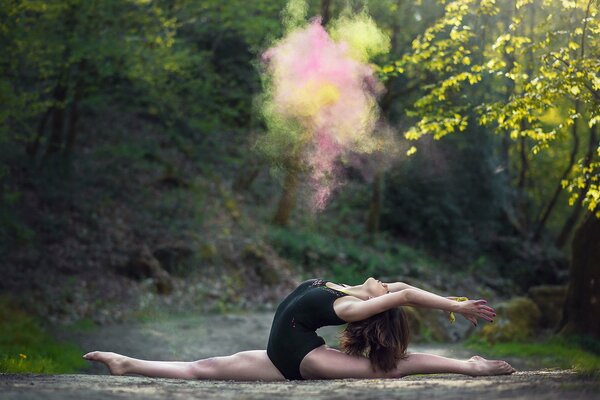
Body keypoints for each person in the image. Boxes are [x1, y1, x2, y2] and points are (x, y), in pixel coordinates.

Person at [83, 277, 516, 380]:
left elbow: (401, 297)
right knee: (205, 367)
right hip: (282, 356)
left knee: (390, 369)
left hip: (306, 359)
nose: (385, 282)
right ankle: (125, 363)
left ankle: (469, 367)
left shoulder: (349, 307)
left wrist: (454, 305)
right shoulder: (346, 289)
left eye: (381, 289)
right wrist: (448, 301)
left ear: (372, 305)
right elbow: (400, 288)